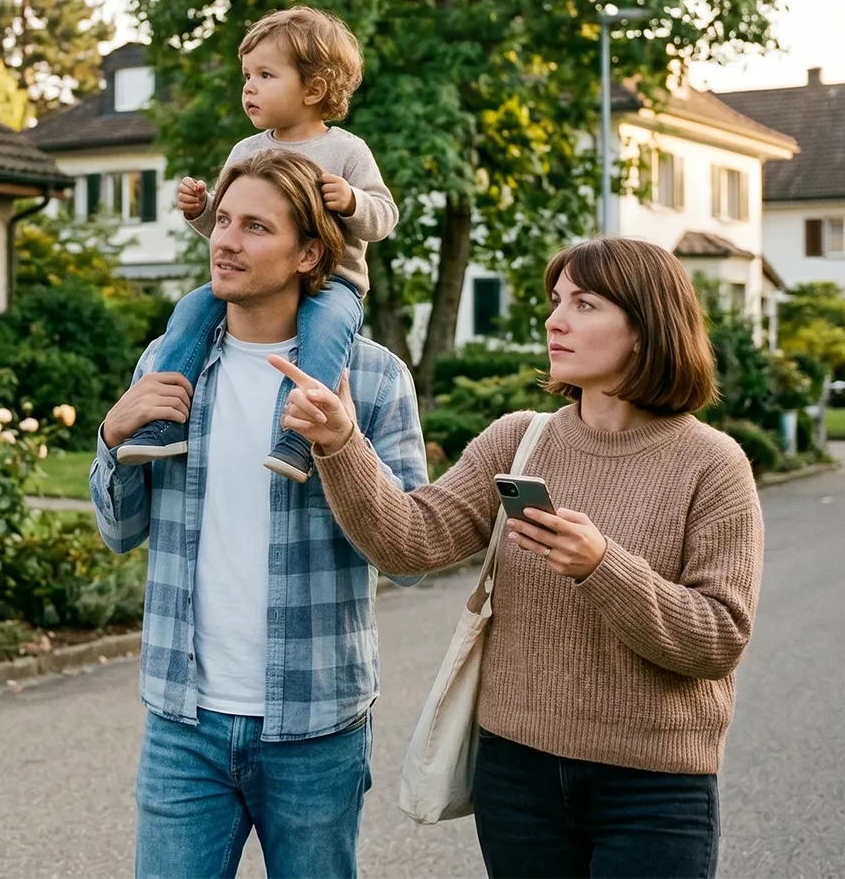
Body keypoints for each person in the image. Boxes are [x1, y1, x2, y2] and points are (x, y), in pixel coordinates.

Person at [273, 237, 764, 879]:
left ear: (646, 328)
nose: (555, 320)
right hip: (518, 774)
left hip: (654, 787)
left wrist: (601, 566)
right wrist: (341, 443)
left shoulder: (713, 464)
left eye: (585, 304)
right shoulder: (521, 439)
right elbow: (411, 541)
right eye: (556, 302)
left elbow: (719, 639)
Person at [90, 149, 429, 879]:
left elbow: (408, 556)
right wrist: (112, 438)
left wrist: (344, 445)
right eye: (221, 222)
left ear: (309, 252)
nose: (224, 239)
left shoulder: (372, 376)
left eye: (253, 227)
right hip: (184, 723)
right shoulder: (167, 361)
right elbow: (119, 532)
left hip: (316, 722)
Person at [112, 6, 397, 484]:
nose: (249, 87)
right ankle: (164, 422)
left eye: (266, 74)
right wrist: (202, 211)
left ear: (314, 89)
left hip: (333, 282)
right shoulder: (247, 152)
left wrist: (351, 202)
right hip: (263, 285)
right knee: (189, 309)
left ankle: (303, 434)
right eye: (247, 75)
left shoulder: (347, 151)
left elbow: (383, 218)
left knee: (325, 332)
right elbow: (229, 235)